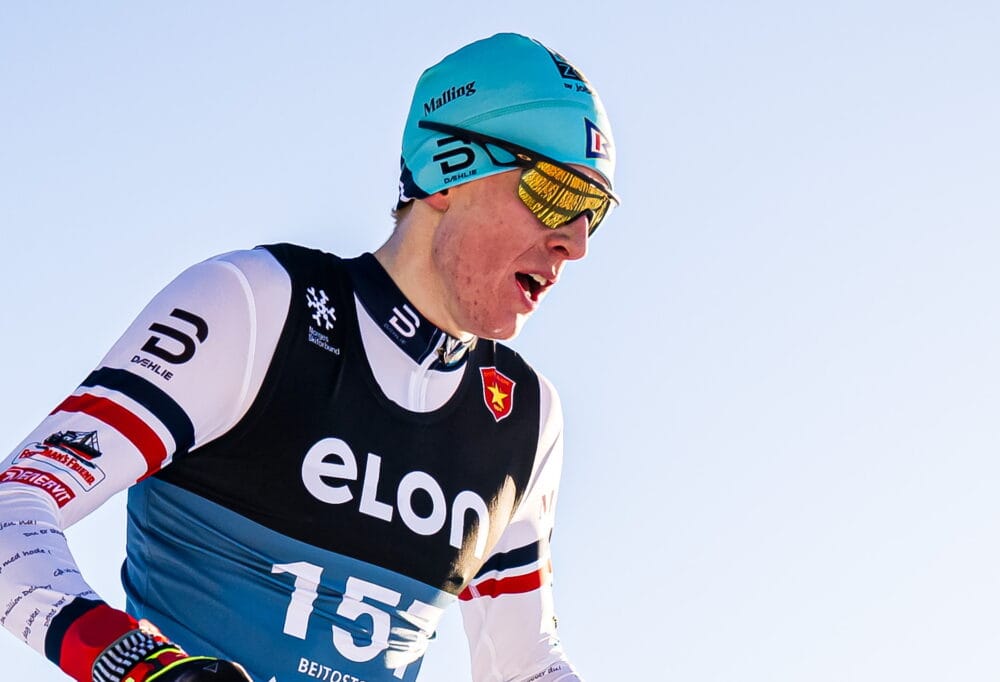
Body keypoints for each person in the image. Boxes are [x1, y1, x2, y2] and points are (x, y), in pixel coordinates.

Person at [0, 32, 618, 682]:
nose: (575, 244)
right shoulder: (257, 306)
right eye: (555, 193)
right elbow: (14, 508)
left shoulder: (525, 418)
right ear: (446, 169)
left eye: (594, 212)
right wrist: (138, 664)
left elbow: (524, 666)